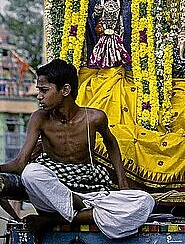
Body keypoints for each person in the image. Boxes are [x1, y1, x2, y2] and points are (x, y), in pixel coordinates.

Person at [0, 59, 154, 238]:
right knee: (31, 173)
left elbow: (111, 144)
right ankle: (78, 212)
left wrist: (123, 184)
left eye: (44, 90)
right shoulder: (39, 118)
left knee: (144, 201)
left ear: (65, 90)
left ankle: (56, 219)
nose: (38, 96)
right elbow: (20, 164)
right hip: (54, 193)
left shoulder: (95, 117)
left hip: (88, 190)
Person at [88, 0, 131, 69]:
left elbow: (119, 13)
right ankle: (105, 70)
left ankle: (114, 70)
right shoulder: (102, 2)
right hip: (104, 31)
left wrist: (120, 31)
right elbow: (98, 15)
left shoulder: (117, 1)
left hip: (115, 32)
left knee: (116, 53)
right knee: (101, 52)